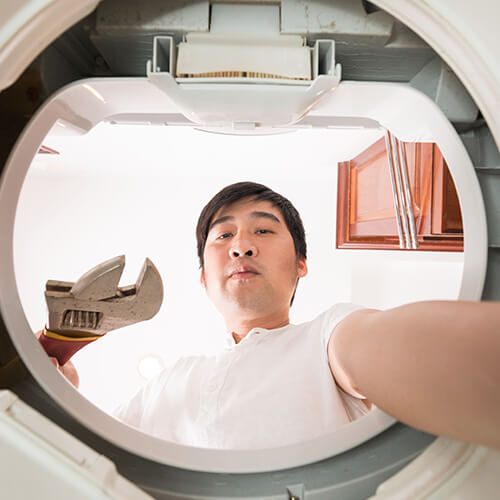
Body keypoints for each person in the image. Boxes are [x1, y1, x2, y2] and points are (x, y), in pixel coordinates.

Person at [50, 181, 500, 449]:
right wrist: (52, 388)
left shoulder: (328, 337)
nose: (242, 245)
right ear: (204, 279)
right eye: (222, 236)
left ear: (301, 264)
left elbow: (404, 350)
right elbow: (84, 454)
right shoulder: (169, 382)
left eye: (263, 230)